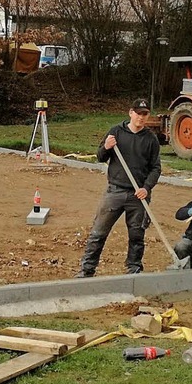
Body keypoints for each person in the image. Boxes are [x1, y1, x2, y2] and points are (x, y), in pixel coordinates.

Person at [75, 98, 161, 277]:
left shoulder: (151, 139)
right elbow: (100, 157)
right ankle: (86, 270)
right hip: (115, 191)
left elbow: (155, 168)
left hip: (138, 195)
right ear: (131, 113)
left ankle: (133, 269)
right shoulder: (116, 132)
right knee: (98, 233)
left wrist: (146, 187)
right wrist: (106, 147)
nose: (141, 117)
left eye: (145, 114)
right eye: (138, 113)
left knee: (137, 236)